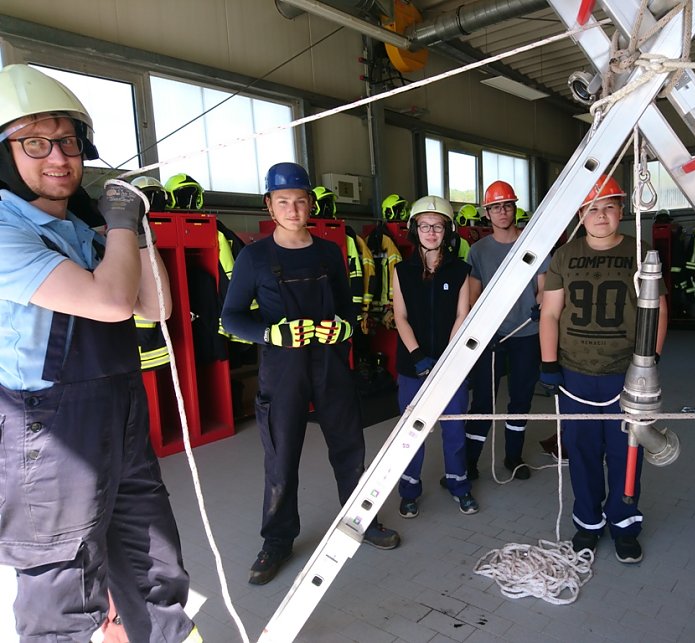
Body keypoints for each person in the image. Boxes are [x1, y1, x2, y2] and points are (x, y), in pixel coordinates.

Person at [0, 64, 197, 640]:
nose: (58, 156)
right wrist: (117, 227)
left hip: (121, 415)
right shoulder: (7, 228)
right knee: (62, 585)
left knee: (155, 564)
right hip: (48, 432)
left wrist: (135, 226)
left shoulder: (86, 230)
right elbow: (113, 303)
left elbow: (155, 306)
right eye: (35, 141)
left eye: (68, 141)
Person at [221, 161, 400, 586]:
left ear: (310, 205)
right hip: (282, 370)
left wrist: (344, 326)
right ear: (269, 205)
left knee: (349, 447)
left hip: (330, 365)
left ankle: (360, 520)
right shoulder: (253, 256)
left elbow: (345, 306)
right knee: (281, 458)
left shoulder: (328, 252)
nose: (293, 208)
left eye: (300, 201)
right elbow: (230, 317)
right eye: (283, 201)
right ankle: (278, 540)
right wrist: (271, 332)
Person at [539, 175, 667, 564]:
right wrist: (549, 364)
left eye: (609, 206)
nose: (600, 214)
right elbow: (550, 312)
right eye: (592, 207)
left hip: (624, 374)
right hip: (575, 374)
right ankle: (588, 525)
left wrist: (651, 362)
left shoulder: (641, 251)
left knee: (627, 452)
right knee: (582, 452)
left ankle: (625, 526)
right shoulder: (563, 255)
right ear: (580, 214)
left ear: (622, 210)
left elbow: (659, 310)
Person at [393, 195, 479, 517]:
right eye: (424, 225)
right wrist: (417, 356)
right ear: (415, 230)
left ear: (448, 231)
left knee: (454, 428)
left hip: (450, 364)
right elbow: (400, 317)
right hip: (411, 366)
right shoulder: (401, 271)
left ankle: (459, 485)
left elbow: (462, 314)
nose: (431, 232)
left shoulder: (461, 271)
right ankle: (409, 490)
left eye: (438, 226)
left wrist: (447, 358)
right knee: (410, 431)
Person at [463, 180, 549, 480]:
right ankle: (469, 463)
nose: (502, 212)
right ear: (487, 213)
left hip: (527, 334)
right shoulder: (478, 251)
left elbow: (543, 287)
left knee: (521, 398)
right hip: (492, 338)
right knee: (483, 402)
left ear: (515, 209)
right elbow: (472, 297)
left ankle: (513, 458)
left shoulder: (533, 245)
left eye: (507, 206)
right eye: (496, 207)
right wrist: (482, 329)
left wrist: (541, 304)